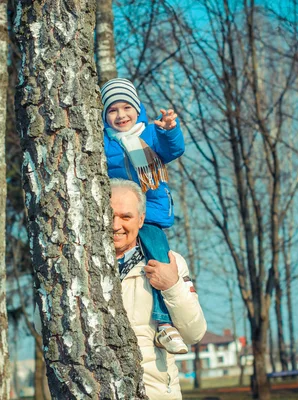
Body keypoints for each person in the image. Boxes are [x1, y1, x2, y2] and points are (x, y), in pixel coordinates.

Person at [101, 78, 187, 354]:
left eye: (126, 107)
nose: (121, 115)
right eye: (112, 110)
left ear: (137, 110)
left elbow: (173, 150)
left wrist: (169, 130)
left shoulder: (150, 134)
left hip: (149, 211)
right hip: (118, 213)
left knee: (158, 256)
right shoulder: (102, 142)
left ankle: (164, 324)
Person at [110, 178, 206, 399]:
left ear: (142, 219)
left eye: (126, 217)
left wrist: (172, 286)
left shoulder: (169, 261)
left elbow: (194, 333)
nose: (116, 225)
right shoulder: (81, 266)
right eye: (110, 216)